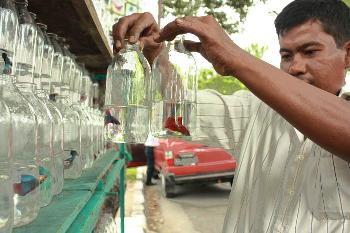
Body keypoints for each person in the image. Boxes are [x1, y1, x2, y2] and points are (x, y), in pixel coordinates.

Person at [112, 0, 350, 232]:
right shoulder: (255, 111)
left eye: (310, 52)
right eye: (286, 55)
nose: (295, 67)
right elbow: (180, 110)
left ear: (348, 54)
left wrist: (234, 57)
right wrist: (157, 57)